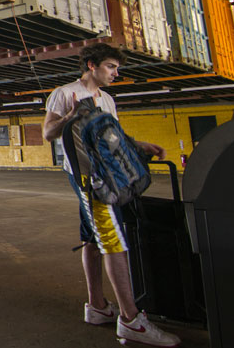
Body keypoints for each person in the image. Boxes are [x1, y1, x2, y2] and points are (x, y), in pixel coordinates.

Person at [43, 43, 181, 347]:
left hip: (110, 174)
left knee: (92, 240)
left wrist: (138, 144)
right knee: (114, 241)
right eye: (110, 67)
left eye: (116, 68)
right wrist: (70, 116)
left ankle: (97, 307)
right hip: (89, 179)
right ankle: (131, 321)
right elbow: (48, 133)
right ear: (91, 65)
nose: (116, 73)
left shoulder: (107, 99)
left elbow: (112, 134)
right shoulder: (65, 93)